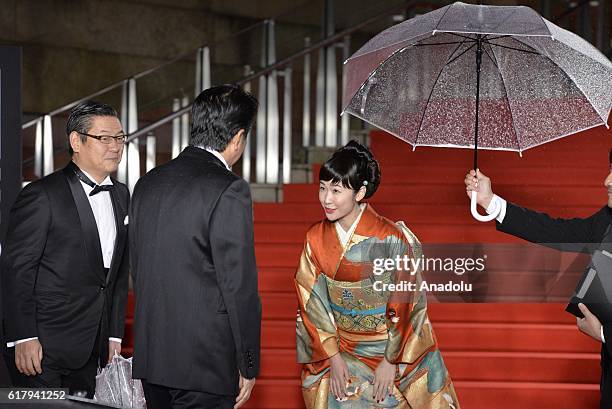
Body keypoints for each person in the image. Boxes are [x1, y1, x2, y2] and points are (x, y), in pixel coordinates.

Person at [295, 141, 459, 408]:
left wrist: (389, 361)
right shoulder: (315, 238)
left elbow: (406, 303)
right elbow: (310, 301)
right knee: (335, 395)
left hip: (393, 346)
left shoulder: (391, 237)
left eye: (336, 190)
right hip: (342, 347)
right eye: (322, 188)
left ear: (360, 193)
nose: (326, 198)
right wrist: (333, 357)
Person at [130, 84, 261, 409]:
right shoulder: (228, 189)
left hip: (152, 358)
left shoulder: (148, 182)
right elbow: (238, 285)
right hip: (204, 363)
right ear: (238, 138)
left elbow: (137, 267)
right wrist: (248, 361)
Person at [1, 101, 130, 397]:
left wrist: (113, 334)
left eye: (120, 137)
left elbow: (118, 274)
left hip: (94, 347)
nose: (115, 146)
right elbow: (16, 269)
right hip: (42, 348)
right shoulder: (42, 195)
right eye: (104, 138)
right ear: (76, 141)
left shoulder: (121, 195)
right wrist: (24, 336)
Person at [465, 165, 612, 409]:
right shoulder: (608, 219)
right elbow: (561, 232)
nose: (606, 180)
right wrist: (490, 201)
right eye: (609, 169)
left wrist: (605, 334)